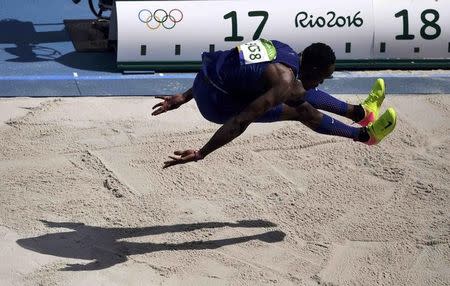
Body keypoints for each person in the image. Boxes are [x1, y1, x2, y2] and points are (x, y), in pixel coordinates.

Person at [151, 39, 397, 168]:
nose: (321, 82)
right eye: (322, 77)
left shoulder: (281, 49)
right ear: (311, 67)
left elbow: (227, 68)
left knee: (296, 90)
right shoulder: (285, 79)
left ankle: (362, 113)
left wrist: (184, 96)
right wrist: (202, 152)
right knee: (300, 107)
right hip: (216, 105)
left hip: (202, 83)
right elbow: (240, 120)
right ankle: (365, 136)